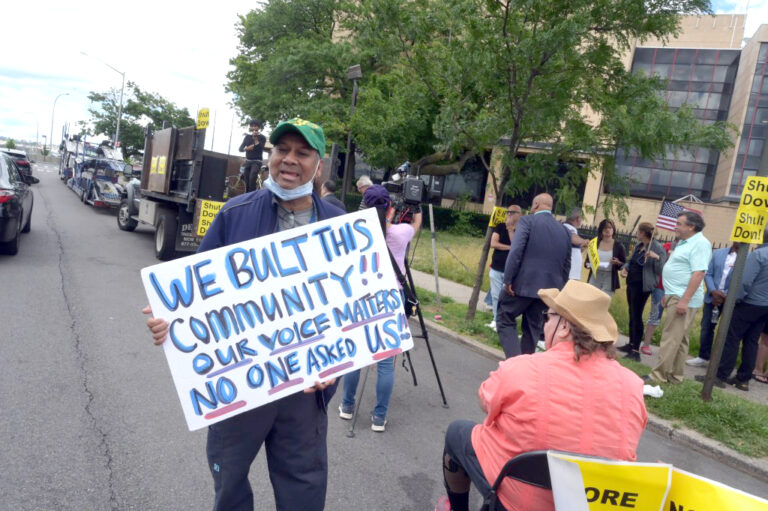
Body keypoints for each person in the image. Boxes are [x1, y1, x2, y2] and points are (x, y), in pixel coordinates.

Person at [144, 118, 344, 511]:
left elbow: (361, 310)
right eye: (281, 150)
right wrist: (168, 319)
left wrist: (339, 360)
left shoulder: (341, 225)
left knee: (303, 489)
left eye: (302, 153)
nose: (289, 160)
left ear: (317, 164)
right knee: (230, 484)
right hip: (240, 385)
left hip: (306, 389)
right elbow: (193, 294)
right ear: (269, 155)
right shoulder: (234, 214)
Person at [436, 280, 647, 511]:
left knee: (458, 432)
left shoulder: (522, 368)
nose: (544, 323)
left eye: (547, 317)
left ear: (564, 327)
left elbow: (485, 400)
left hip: (518, 502)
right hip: (593, 504)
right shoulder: (633, 387)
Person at [339, 185, 422, 431]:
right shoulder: (400, 232)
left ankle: (347, 405)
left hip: (362, 295)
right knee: (386, 362)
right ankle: (379, 417)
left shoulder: (354, 233)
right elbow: (415, 224)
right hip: (391, 296)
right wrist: (414, 210)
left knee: (357, 356)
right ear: (389, 207)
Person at [496, 193, 571, 358]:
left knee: (504, 317)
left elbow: (516, 251)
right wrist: (559, 290)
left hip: (523, 284)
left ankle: (515, 363)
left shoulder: (527, 221)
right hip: (548, 291)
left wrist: (508, 279)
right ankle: (526, 365)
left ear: (536, 205)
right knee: (532, 327)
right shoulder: (564, 231)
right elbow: (567, 264)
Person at [646, 211, 711, 385]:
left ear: (691, 226)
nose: (676, 226)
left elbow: (698, 273)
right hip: (675, 295)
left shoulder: (700, 243)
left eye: (680, 224)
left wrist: (683, 300)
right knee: (680, 340)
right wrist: (668, 294)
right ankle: (675, 376)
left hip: (683, 298)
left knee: (670, 338)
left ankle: (658, 375)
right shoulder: (685, 242)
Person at [703, 232, 768, 391]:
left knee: (730, 338)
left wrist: (734, 299)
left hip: (748, 302)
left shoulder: (758, 254)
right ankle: (743, 379)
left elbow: (744, 281)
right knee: (751, 341)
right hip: (765, 306)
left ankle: (720, 375)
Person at [686, 243, 739, 367]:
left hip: (730, 301)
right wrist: (713, 291)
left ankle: (720, 361)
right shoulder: (719, 253)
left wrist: (726, 295)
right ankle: (703, 356)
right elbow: (708, 273)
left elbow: (742, 280)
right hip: (712, 297)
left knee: (728, 331)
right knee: (707, 327)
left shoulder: (747, 258)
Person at [618, 223, 665, 361]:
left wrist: (656, 258)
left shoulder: (657, 248)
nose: (636, 233)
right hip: (632, 282)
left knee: (637, 315)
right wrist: (625, 268)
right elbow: (631, 261)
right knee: (632, 313)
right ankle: (631, 343)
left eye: (638, 231)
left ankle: (635, 350)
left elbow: (661, 269)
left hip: (643, 286)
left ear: (644, 233)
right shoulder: (639, 246)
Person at [485, 204, 522, 331]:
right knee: (495, 296)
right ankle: (496, 320)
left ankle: (503, 321)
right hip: (496, 267)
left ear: (520, 215)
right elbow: (493, 243)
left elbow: (517, 246)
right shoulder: (500, 226)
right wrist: (509, 248)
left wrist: (511, 230)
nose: (509, 214)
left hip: (511, 271)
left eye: (513, 212)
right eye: (508, 212)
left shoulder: (522, 230)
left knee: (505, 297)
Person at [640, 240, 673, 355]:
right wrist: (663, 256)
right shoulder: (667, 246)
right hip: (661, 286)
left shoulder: (688, 250)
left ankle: (667, 349)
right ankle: (646, 344)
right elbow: (661, 265)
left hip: (676, 288)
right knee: (655, 314)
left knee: (673, 319)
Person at [586, 218, 626, 296]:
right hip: (595, 276)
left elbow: (624, 264)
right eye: (605, 228)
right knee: (591, 301)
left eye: (610, 227)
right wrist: (590, 264)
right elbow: (587, 262)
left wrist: (617, 262)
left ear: (613, 229)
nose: (607, 230)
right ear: (601, 230)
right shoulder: (594, 244)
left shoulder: (619, 246)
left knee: (603, 302)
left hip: (609, 277)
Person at [238, 119, 267, 192]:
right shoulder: (247, 137)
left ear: (258, 127)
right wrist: (247, 148)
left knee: (252, 178)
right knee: (246, 181)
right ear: (250, 127)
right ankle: (247, 196)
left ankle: (252, 197)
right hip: (248, 161)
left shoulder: (262, 137)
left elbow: (261, 148)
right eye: (252, 126)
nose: (254, 128)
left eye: (255, 126)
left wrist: (256, 139)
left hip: (257, 161)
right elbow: (240, 149)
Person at [563, 207, 588, 281]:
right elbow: (572, 238)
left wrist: (581, 247)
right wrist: (584, 241)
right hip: (570, 272)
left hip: (572, 272)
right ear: (578, 218)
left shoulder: (568, 227)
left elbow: (573, 248)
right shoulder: (569, 228)